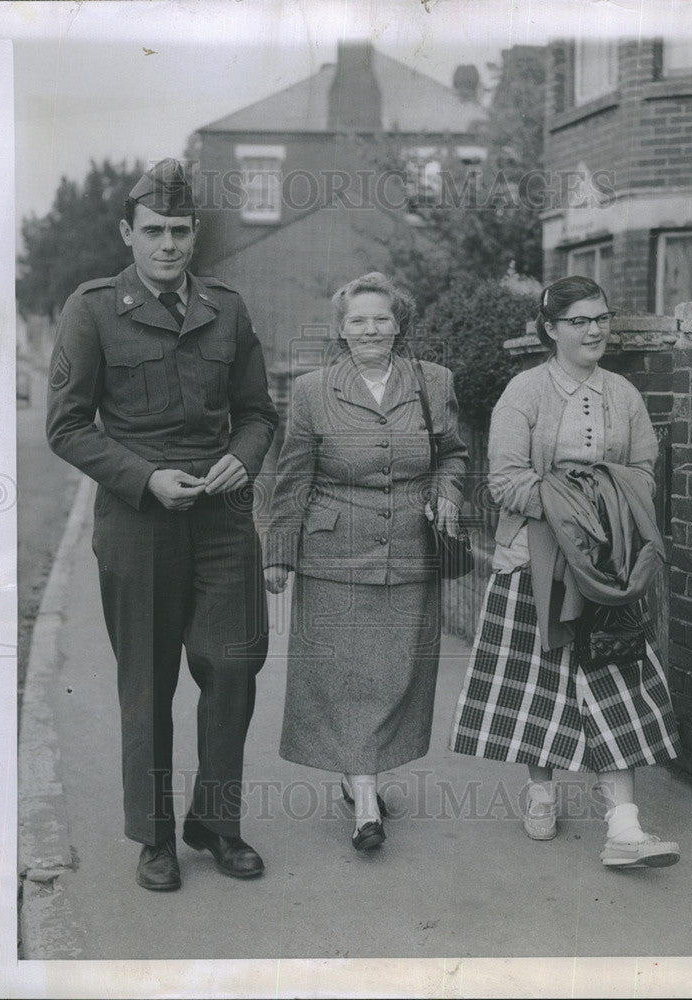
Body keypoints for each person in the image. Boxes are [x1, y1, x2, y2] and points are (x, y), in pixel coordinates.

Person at [46, 159, 278, 891]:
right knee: (147, 682)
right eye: (154, 232)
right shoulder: (90, 309)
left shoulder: (226, 308)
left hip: (221, 520)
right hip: (138, 521)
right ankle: (153, 839)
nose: (168, 244)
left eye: (180, 231)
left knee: (234, 666)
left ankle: (214, 823)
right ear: (128, 234)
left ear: (194, 235)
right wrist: (144, 477)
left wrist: (243, 458)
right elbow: (67, 425)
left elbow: (258, 414)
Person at [450, 275, 681, 869]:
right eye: (578, 321)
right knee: (541, 686)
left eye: (600, 317)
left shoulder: (623, 395)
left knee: (614, 677)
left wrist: (603, 506)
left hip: (606, 567)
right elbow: (503, 480)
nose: (594, 330)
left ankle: (624, 826)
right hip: (534, 561)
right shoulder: (523, 393)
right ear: (549, 330)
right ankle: (542, 791)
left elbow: (643, 473)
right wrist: (576, 503)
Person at [263, 271, 468, 851]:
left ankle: (361, 782)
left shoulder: (433, 382)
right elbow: (292, 476)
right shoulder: (311, 391)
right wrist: (278, 553)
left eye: (381, 318)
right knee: (344, 680)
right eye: (358, 320)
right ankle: (367, 805)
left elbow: (452, 454)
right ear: (341, 329)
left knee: (393, 679)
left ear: (398, 325)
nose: (370, 329)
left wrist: (450, 492)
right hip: (333, 557)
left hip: (409, 553)